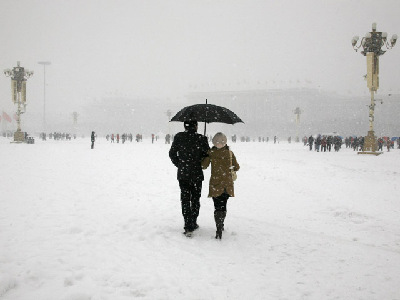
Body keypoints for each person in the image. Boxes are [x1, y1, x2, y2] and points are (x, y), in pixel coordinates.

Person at [169, 120, 210, 237]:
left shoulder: (179, 137)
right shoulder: (202, 138)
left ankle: (188, 225)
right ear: (196, 126)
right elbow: (207, 155)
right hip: (197, 174)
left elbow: (172, 153)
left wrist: (180, 164)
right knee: (196, 199)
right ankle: (193, 221)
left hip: (183, 174)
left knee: (185, 199)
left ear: (185, 126)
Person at [202, 132, 240, 239]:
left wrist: (205, 154)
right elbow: (237, 167)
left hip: (216, 183)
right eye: (218, 142)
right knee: (223, 205)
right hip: (227, 184)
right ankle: (221, 224)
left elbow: (203, 166)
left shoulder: (211, 153)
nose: (220, 143)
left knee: (217, 206)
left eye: (221, 142)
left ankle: (219, 228)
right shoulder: (229, 153)